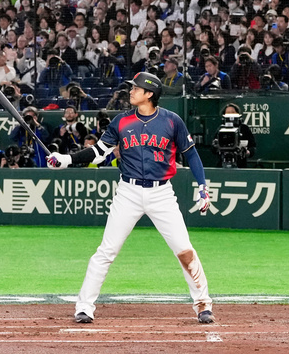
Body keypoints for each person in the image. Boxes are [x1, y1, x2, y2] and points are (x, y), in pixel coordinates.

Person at [47, 72, 213, 325]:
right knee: (106, 251)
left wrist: (202, 186)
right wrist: (67, 160)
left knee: (184, 250)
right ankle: (84, 306)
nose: (131, 91)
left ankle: (203, 304)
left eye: (136, 88)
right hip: (128, 192)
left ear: (150, 94)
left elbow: (190, 154)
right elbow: (98, 152)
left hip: (161, 193)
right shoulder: (122, 121)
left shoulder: (172, 121)